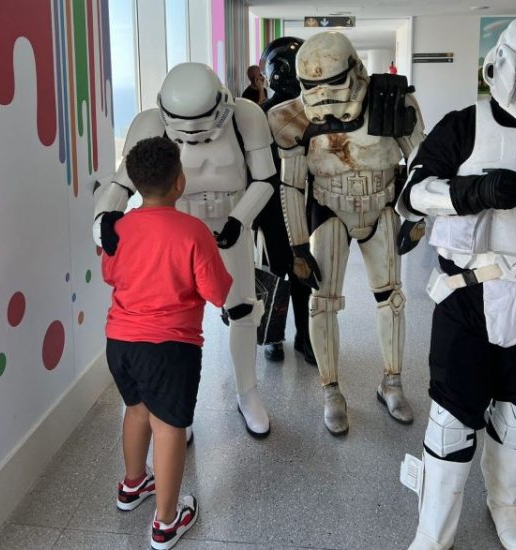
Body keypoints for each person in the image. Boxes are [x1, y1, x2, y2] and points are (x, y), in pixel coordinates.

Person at [396, 15, 516, 550]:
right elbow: (411, 195)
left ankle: (506, 504)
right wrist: (472, 192)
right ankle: (434, 529)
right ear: (501, 69)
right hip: (467, 296)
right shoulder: (462, 125)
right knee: (451, 419)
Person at [94, 62, 277, 438]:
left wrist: (239, 219)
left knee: (241, 307)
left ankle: (247, 392)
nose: (193, 137)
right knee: (172, 316)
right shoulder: (150, 123)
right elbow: (121, 182)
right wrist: (102, 222)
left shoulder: (246, 117)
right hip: (175, 232)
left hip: (230, 222)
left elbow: (265, 178)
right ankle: (172, 409)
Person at [267, 31, 425, 434]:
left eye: (332, 81)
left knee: (391, 299)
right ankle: (330, 390)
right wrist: (298, 244)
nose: (323, 94)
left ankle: (392, 381)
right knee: (322, 302)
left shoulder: (393, 101)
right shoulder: (292, 119)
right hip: (329, 208)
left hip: (382, 204)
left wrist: (416, 215)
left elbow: (422, 161)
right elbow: (292, 183)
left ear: (355, 70)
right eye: (311, 86)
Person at [102, 137, 232, 549]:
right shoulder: (193, 231)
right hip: (170, 348)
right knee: (170, 427)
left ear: (137, 184)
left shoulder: (119, 228)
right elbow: (217, 292)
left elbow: (110, 274)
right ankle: (166, 521)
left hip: (120, 342)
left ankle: (133, 484)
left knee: (136, 411)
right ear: (180, 181)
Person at [253, 36, 316, 365]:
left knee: (300, 274)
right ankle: (274, 336)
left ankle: (300, 337)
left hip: (304, 204)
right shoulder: (260, 115)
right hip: (273, 206)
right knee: (278, 273)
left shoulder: (315, 110)